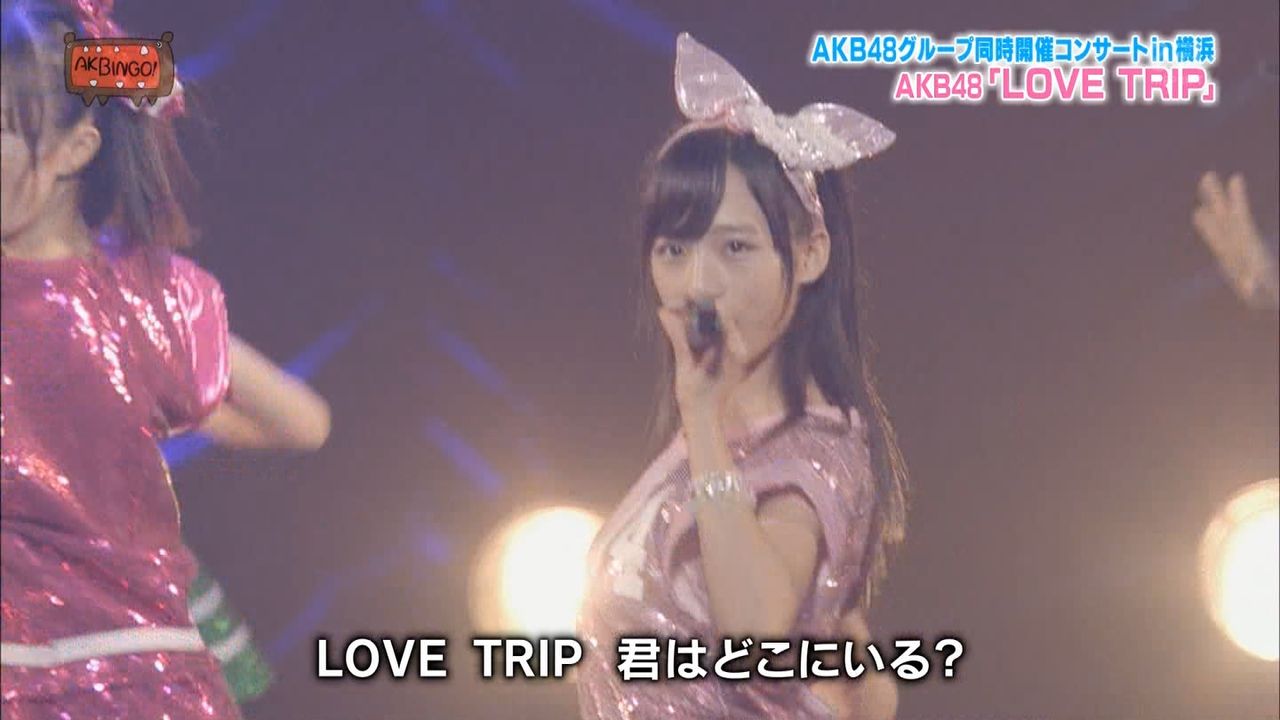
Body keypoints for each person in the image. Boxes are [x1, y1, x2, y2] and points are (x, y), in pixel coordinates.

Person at [1, 1, 329, 717]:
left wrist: (172, 393)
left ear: (76, 150)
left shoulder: (147, 298)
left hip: (141, 683)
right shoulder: (141, 299)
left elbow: (305, 423)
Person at [575, 34, 906, 719]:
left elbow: (754, 636)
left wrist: (701, 418)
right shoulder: (712, 445)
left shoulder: (813, 452)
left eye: (735, 247)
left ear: (810, 254)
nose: (698, 283)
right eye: (674, 249)